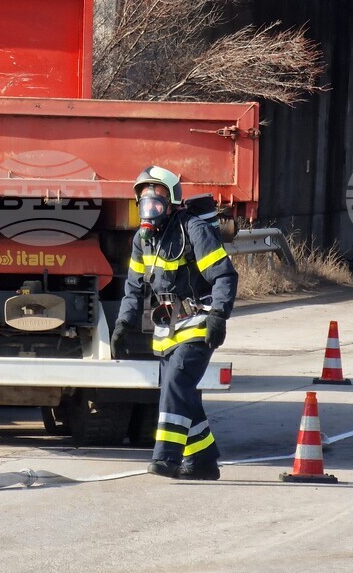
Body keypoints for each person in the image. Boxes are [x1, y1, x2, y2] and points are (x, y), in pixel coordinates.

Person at [111, 166, 238, 480]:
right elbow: (134, 287)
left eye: (157, 199)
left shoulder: (193, 229)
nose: (150, 207)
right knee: (184, 394)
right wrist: (123, 323)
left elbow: (224, 275)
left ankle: (166, 458)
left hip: (198, 323)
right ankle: (204, 461)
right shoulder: (143, 240)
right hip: (167, 328)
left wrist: (219, 316)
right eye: (144, 201)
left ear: (172, 201)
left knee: (176, 385)